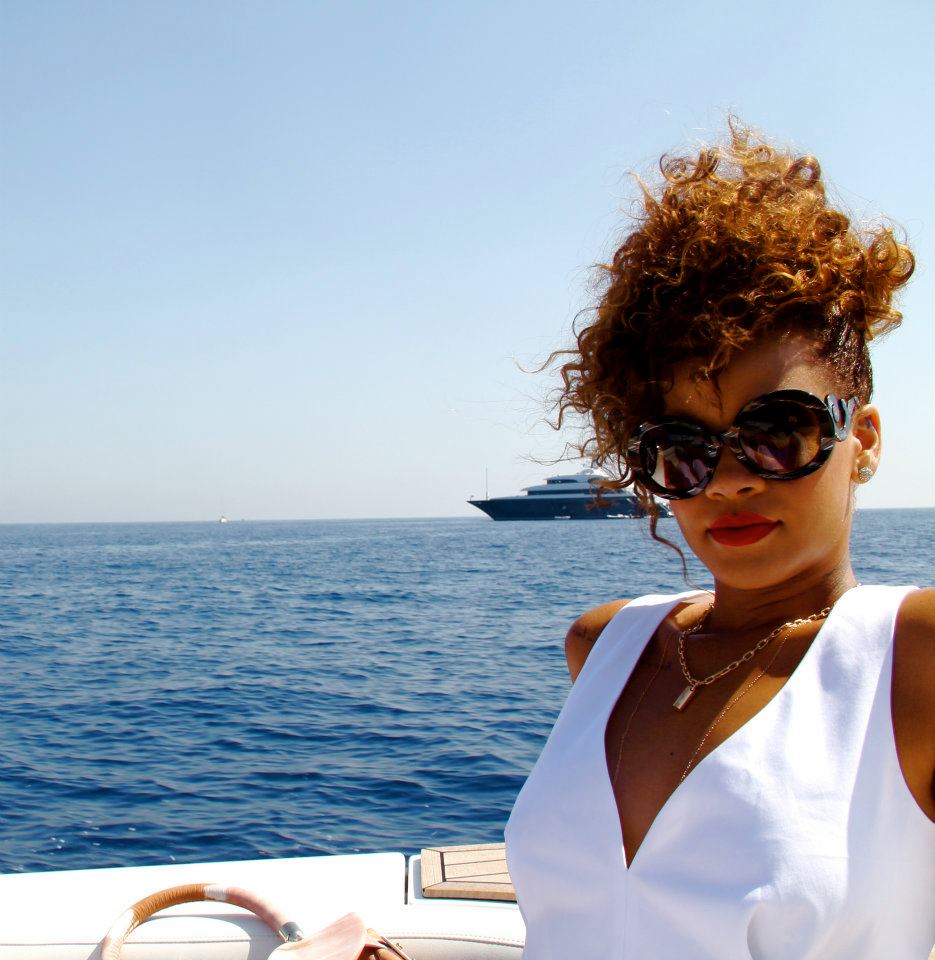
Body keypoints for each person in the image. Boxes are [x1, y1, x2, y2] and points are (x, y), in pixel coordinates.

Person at [503, 125, 934, 959]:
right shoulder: (604, 645)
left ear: (864, 440)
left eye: (777, 431)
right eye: (684, 448)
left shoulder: (913, 658)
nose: (729, 480)